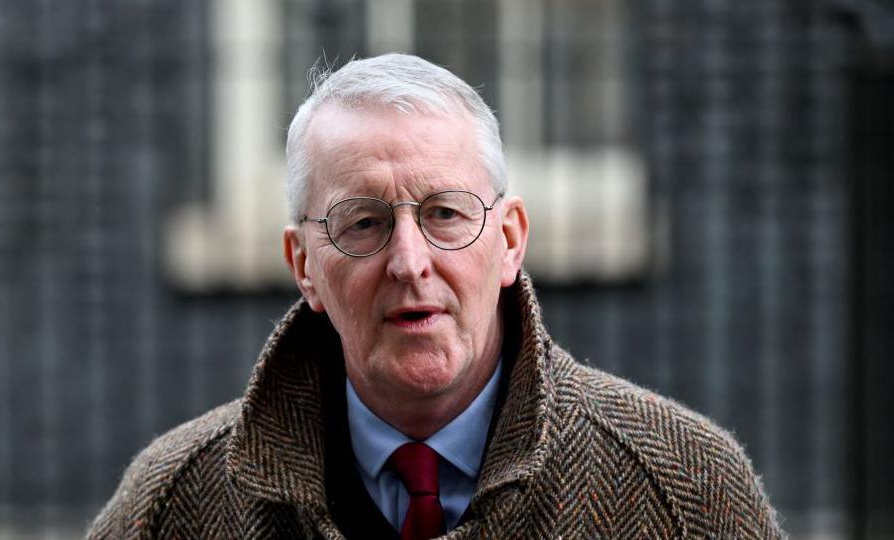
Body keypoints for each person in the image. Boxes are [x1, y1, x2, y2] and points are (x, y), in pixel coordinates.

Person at [89, 53, 782, 539]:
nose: (409, 262)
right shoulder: (173, 503)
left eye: (446, 214)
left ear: (510, 240)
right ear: (303, 266)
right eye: (363, 223)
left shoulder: (685, 492)